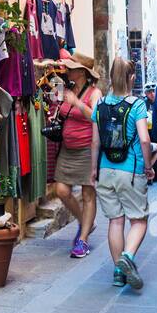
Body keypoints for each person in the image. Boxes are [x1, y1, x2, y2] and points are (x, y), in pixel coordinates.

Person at [90, 57, 155, 290]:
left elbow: (95, 142)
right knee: (139, 220)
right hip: (131, 170)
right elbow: (145, 140)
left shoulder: (99, 105)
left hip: (106, 170)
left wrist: (93, 170)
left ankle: (118, 273)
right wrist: (148, 167)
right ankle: (127, 257)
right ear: (132, 78)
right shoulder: (136, 105)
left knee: (115, 222)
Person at [52, 52, 103, 259]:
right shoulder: (67, 88)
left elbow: (96, 116)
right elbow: (61, 110)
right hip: (67, 148)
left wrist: (78, 103)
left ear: (82, 72)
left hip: (86, 149)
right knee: (61, 190)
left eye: (71, 68)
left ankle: (83, 240)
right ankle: (86, 222)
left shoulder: (95, 93)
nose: (68, 70)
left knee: (88, 194)